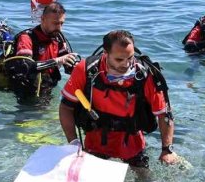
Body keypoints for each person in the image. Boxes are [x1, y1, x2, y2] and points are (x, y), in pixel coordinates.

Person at [60, 30, 178, 168]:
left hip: (133, 146)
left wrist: (167, 149)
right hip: (95, 144)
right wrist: (73, 143)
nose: (126, 64)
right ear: (105, 53)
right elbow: (66, 107)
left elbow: (164, 114)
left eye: (130, 57)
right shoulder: (86, 70)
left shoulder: (145, 75)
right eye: (119, 59)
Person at [0, 2, 79, 100]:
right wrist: (57, 61)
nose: (59, 27)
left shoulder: (58, 37)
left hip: (47, 87)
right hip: (27, 91)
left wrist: (77, 66)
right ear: (43, 19)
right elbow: (25, 67)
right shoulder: (26, 38)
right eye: (55, 23)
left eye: (61, 23)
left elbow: (67, 66)